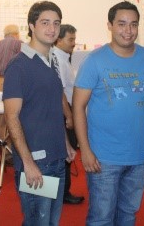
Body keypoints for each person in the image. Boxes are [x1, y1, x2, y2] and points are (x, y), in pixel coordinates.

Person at [73, 1, 144, 225]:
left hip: (138, 156)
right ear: (110, 25)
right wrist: (85, 150)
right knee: (101, 219)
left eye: (133, 24)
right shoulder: (94, 61)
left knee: (128, 216)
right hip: (103, 158)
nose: (128, 30)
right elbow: (78, 107)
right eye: (121, 24)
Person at [3, 1, 76, 226]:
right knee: (38, 222)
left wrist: (65, 143)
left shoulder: (51, 60)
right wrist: (28, 162)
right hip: (36, 162)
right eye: (45, 23)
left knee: (51, 222)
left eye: (56, 23)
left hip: (57, 158)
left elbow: (52, 108)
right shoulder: (18, 66)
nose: (52, 29)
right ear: (32, 26)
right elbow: (11, 117)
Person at [53, 24, 85, 205]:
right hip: (65, 112)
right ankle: (63, 193)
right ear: (59, 40)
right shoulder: (58, 59)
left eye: (74, 39)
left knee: (67, 152)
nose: (74, 43)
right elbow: (60, 93)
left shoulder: (64, 57)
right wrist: (70, 116)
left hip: (69, 109)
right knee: (66, 153)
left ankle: (63, 191)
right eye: (70, 39)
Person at [0, 24, 21, 163]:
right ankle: (9, 154)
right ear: (16, 34)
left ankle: (2, 153)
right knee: (12, 117)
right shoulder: (18, 44)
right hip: (9, 82)